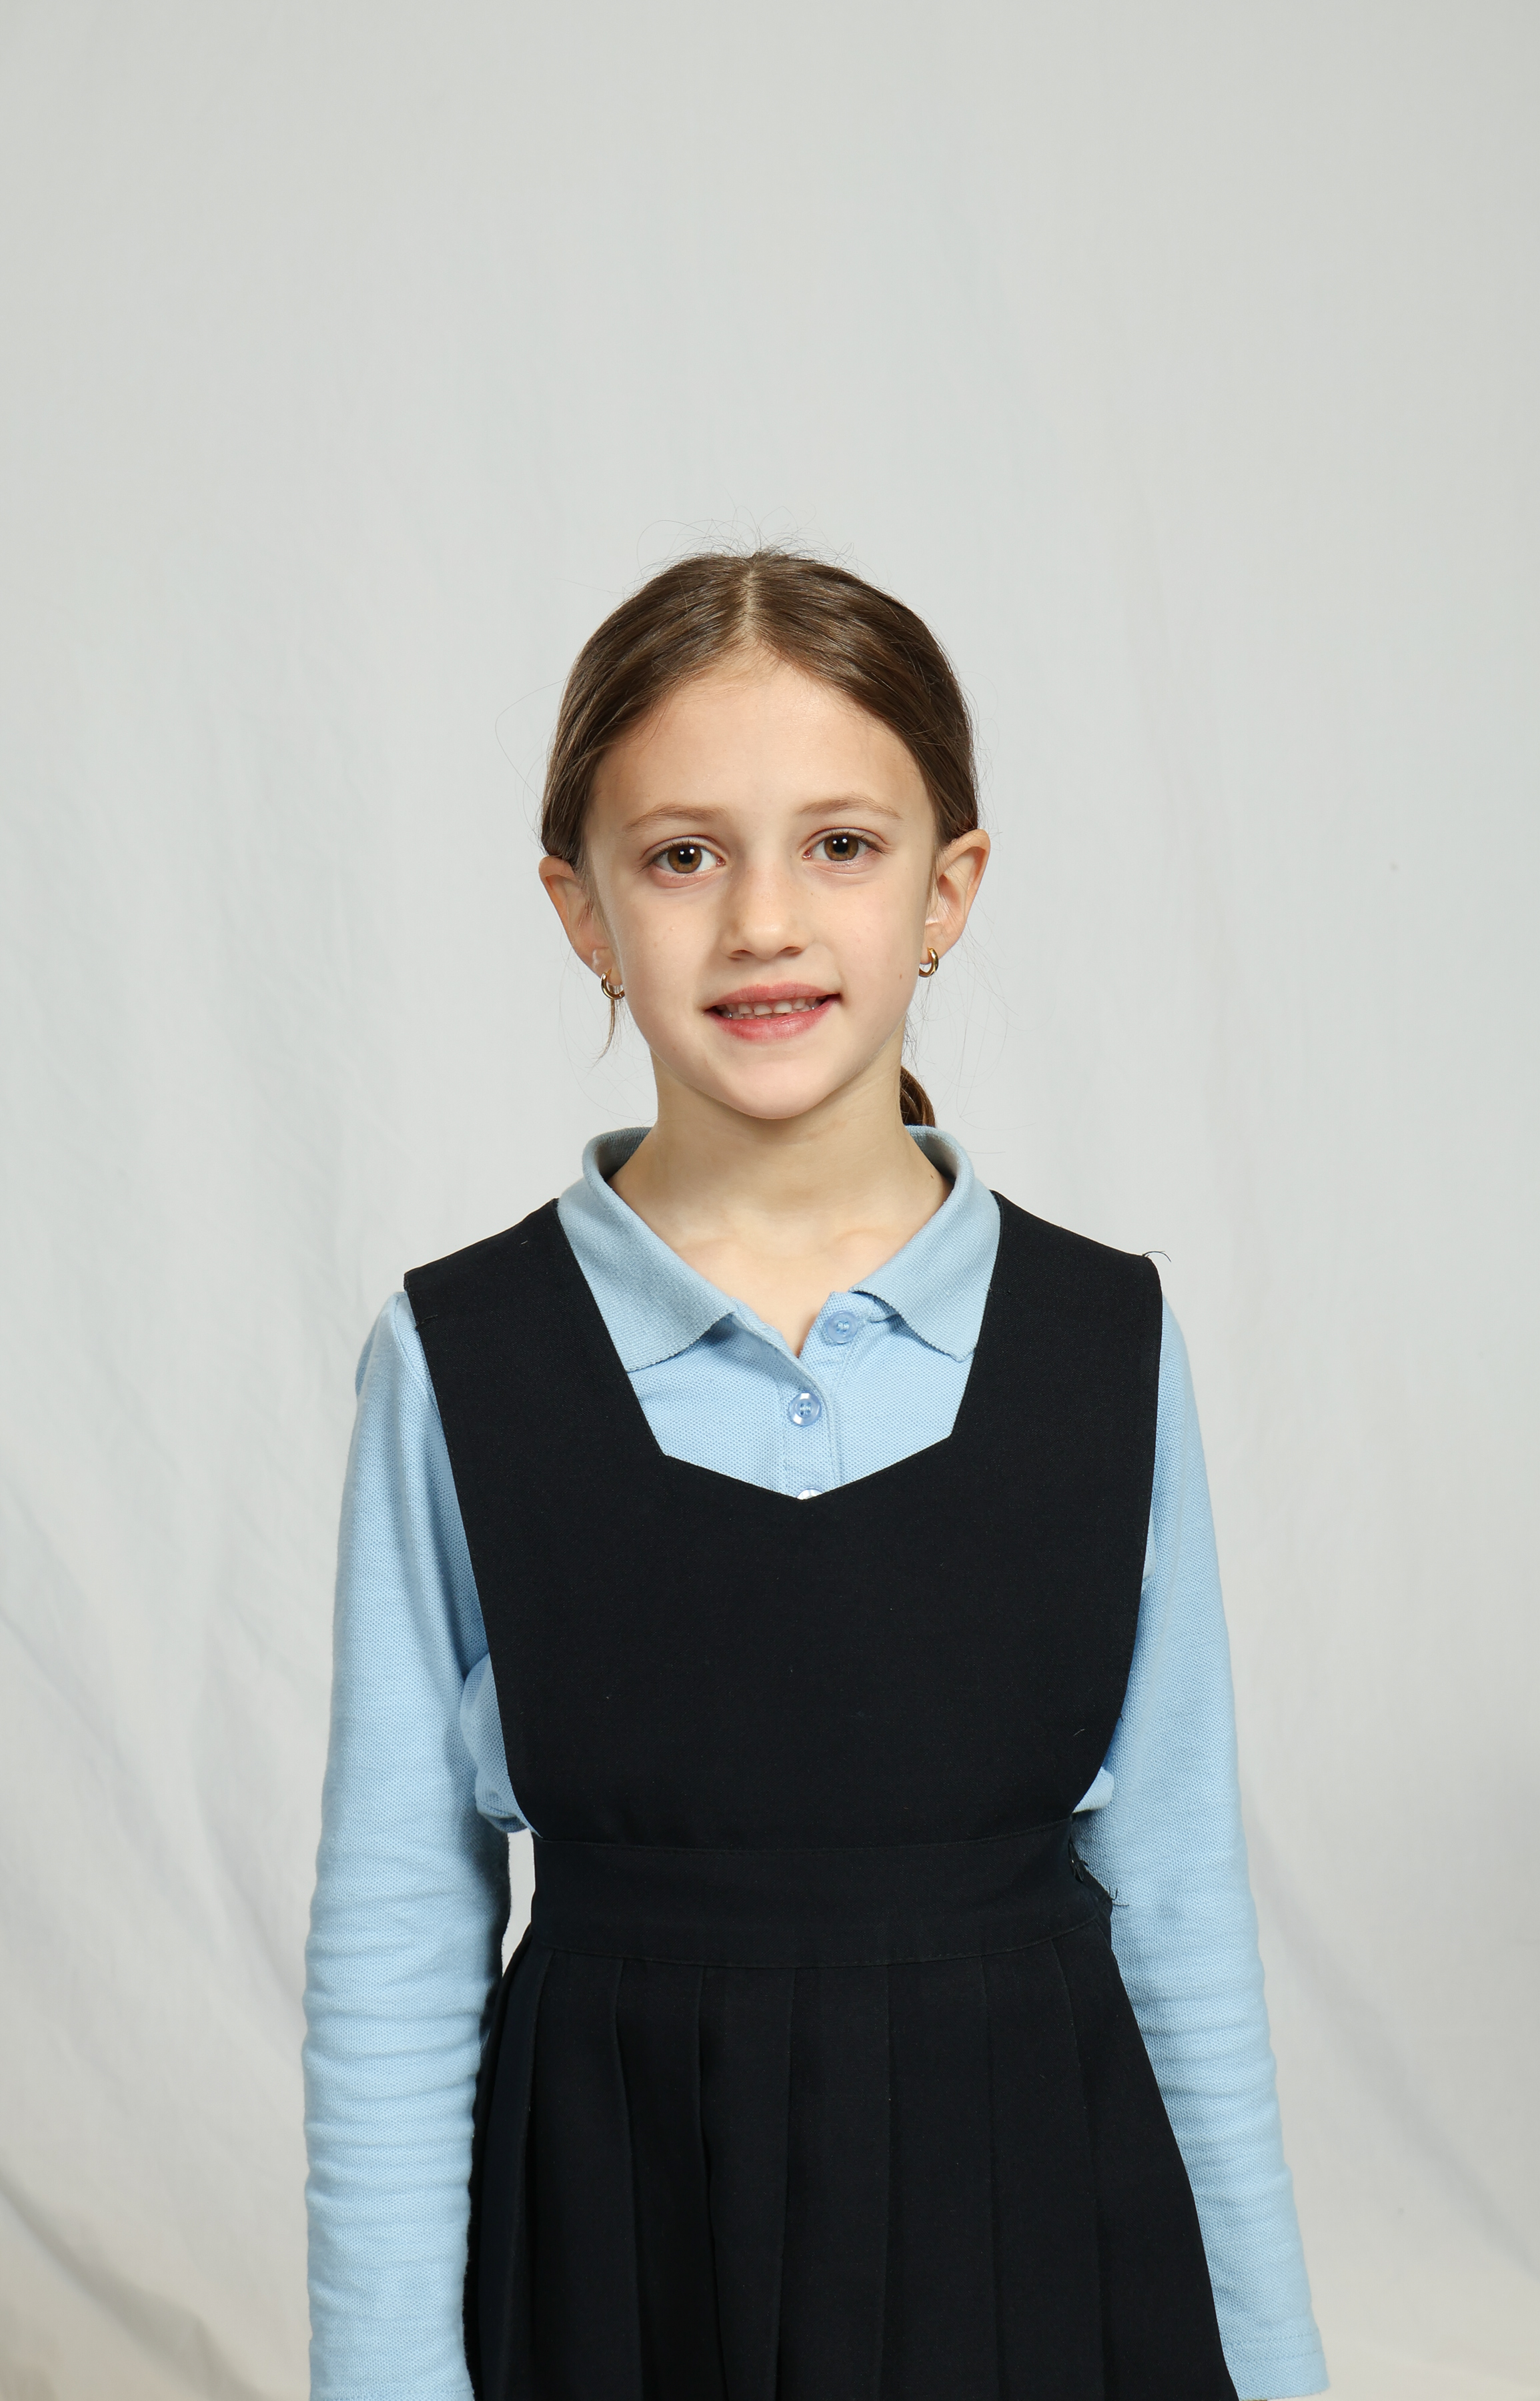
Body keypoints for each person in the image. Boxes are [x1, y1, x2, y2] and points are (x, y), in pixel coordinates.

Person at [302, 550, 1328, 2401]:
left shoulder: (1102, 1343)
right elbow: (398, 1931)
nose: (764, 919)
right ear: (581, 908)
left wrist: (1270, 2366)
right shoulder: (460, 1357)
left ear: (950, 889)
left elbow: (1179, 1902)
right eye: (684, 855)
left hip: (1032, 2238)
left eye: (841, 846)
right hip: (618, 2250)